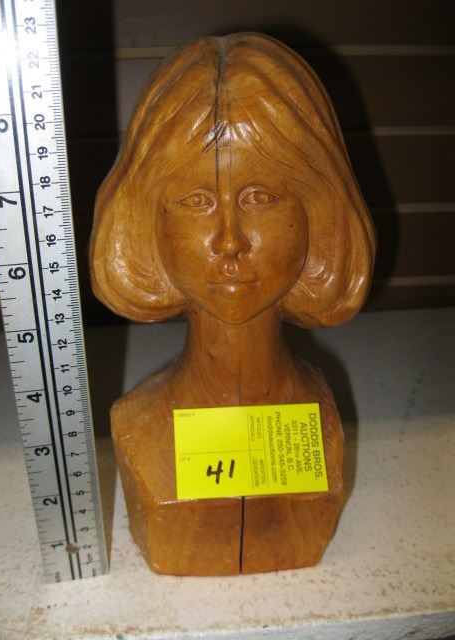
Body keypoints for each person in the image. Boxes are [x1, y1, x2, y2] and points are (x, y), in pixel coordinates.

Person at [89, 33, 376, 575]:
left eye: (260, 198)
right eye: (196, 201)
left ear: (319, 211)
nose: (229, 241)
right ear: (146, 218)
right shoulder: (136, 426)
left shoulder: (319, 429)